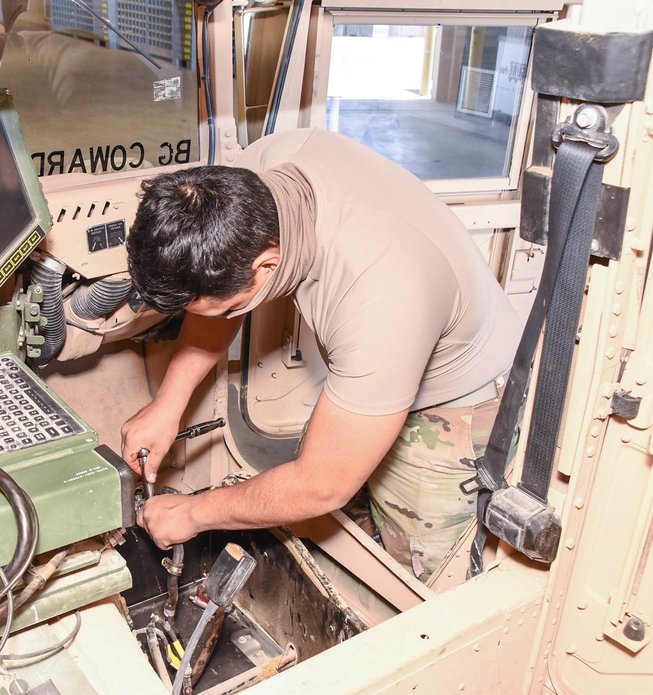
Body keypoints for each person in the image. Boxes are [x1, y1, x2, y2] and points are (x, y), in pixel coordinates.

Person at [121, 128, 521, 582]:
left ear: (266, 266)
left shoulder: (382, 296)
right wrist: (167, 405)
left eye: (233, 307)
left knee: (419, 578)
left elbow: (320, 485)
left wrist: (192, 514)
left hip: (456, 399)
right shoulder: (250, 180)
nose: (226, 313)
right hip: (386, 353)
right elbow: (216, 299)